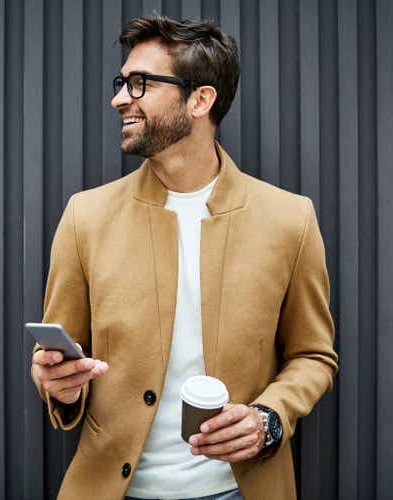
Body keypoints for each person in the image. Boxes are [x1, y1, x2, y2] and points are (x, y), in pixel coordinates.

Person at [31, 15, 338, 500]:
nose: (118, 99)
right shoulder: (84, 216)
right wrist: (58, 383)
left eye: (139, 84)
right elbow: (59, 359)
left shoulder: (290, 219)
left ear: (200, 99)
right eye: (121, 82)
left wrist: (270, 417)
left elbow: (313, 355)